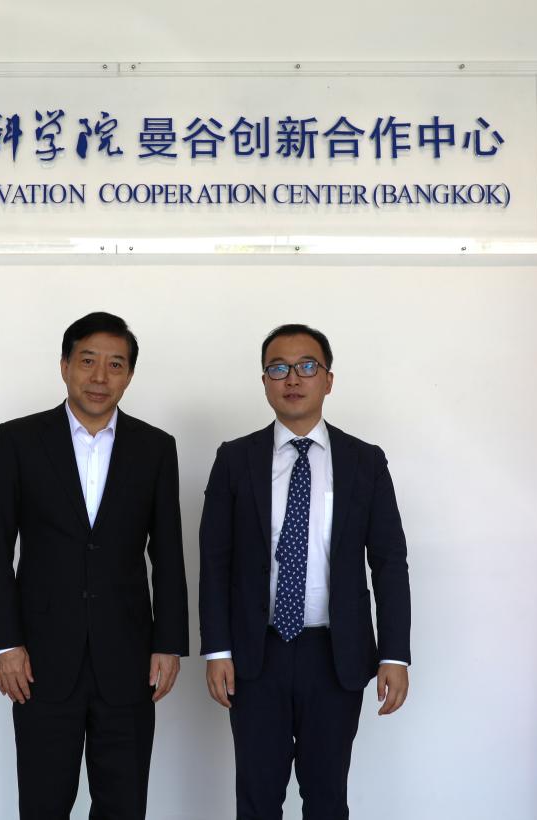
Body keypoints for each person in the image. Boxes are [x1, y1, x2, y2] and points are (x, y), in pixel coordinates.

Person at [0, 311, 189, 820]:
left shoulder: (155, 448)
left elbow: (168, 552)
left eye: (115, 364)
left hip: (129, 660)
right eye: (88, 361)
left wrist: (168, 643)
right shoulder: (19, 440)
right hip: (40, 660)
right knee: (44, 804)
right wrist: (5, 644)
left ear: (129, 374)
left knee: (123, 805)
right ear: (65, 366)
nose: (100, 376)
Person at [199, 323, 411, 820]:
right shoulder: (235, 459)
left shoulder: (364, 461)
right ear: (265, 382)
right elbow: (214, 559)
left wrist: (394, 654)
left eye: (306, 366)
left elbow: (388, 561)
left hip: (335, 656)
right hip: (257, 655)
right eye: (278, 368)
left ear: (328, 379)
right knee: (257, 800)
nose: (292, 378)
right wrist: (218, 649)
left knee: (327, 799)